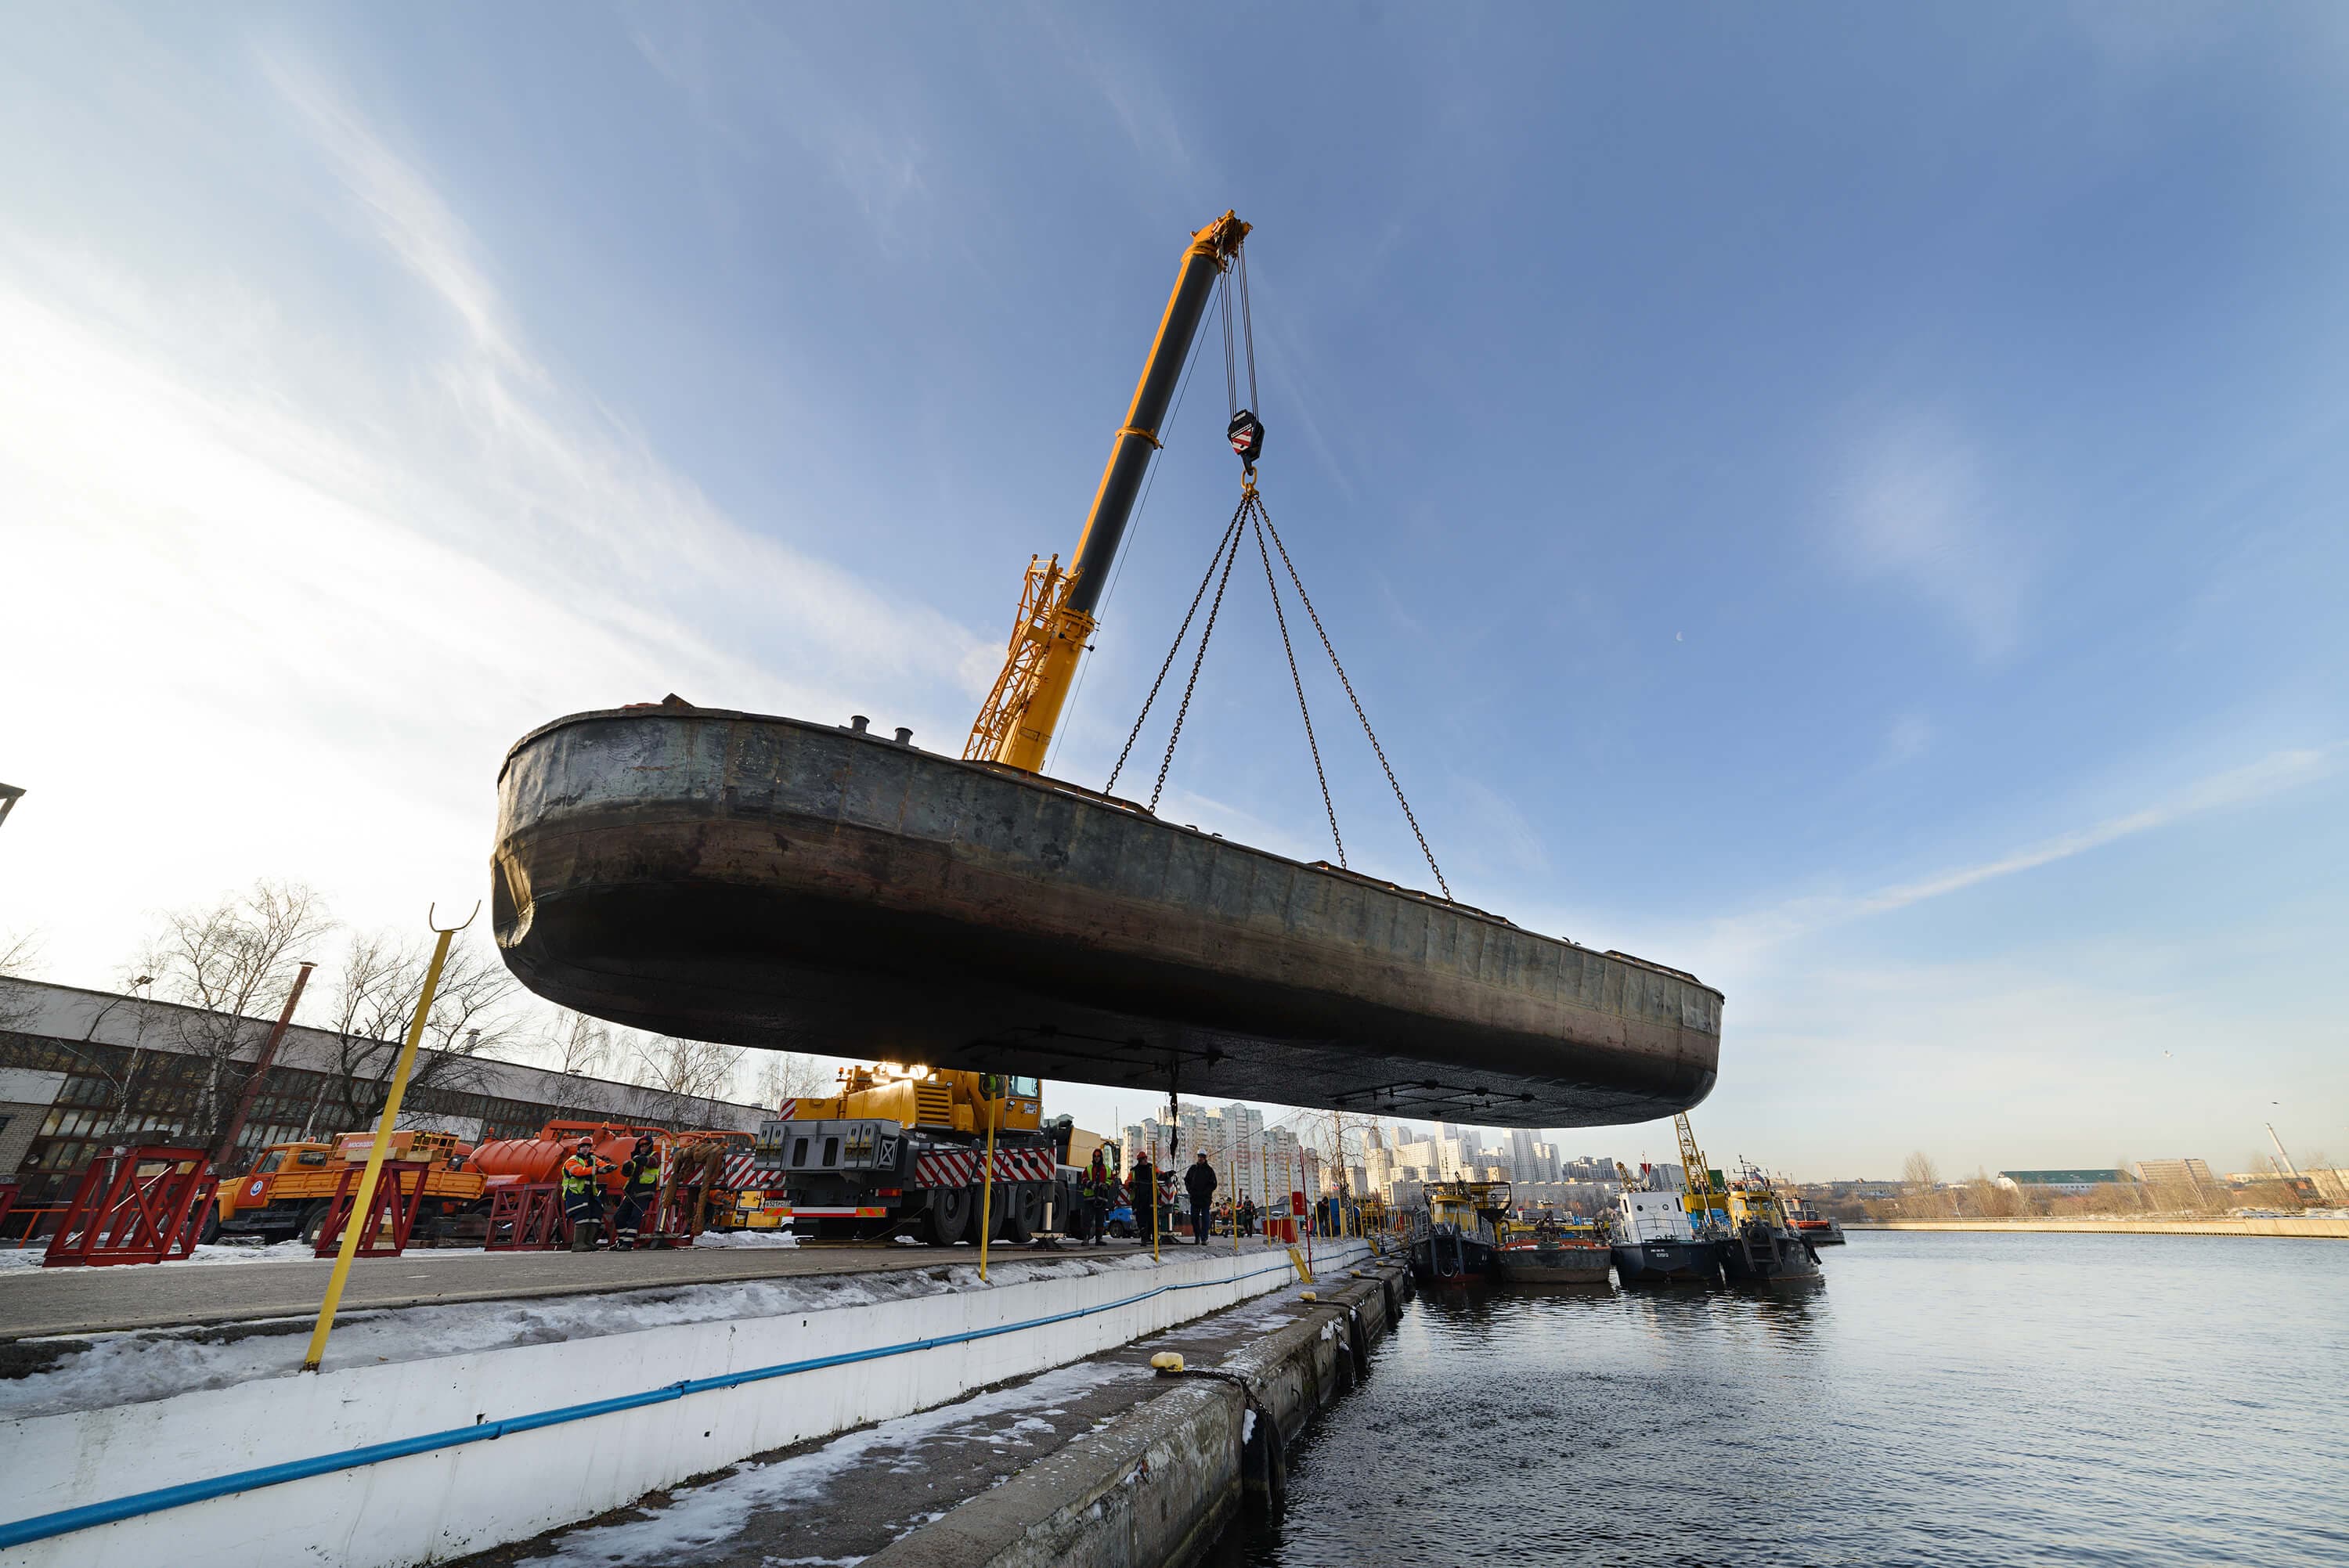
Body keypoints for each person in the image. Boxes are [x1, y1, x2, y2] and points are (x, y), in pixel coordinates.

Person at [560, 1139, 609, 1252]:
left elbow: (602, 1164)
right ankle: (578, 1244)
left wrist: (608, 1167)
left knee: (596, 1213)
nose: (585, 1149)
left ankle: (588, 1242)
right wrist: (598, 1170)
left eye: (587, 1147)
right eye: (583, 1147)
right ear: (579, 1149)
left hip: (590, 1194)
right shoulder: (572, 1161)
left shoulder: (593, 1159)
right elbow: (578, 1172)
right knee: (582, 1216)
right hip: (576, 1194)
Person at [615, 1135, 660, 1250]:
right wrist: (626, 1168)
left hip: (645, 1192)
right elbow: (629, 1174)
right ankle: (621, 1241)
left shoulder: (655, 1155)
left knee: (635, 1217)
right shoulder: (636, 1159)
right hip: (631, 1193)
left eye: (645, 1146)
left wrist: (642, 1160)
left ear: (650, 1146)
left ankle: (628, 1244)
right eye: (641, 1146)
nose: (643, 1148)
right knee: (619, 1216)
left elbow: (653, 1162)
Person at [1081, 1148, 1115, 1246]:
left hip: (1101, 1198)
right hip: (1089, 1198)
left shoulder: (1107, 1169)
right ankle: (1086, 1239)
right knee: (1087, 1219)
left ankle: (1099, 1239)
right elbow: (1083, 1179)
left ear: (1101, 1157)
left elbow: (1112, 1180)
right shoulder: (1088, 1168)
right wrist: (1091, 1184)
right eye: (1095, 1156)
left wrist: (1106, 1185)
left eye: (1098, 1156)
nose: (1096, 1158)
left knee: (1100, 1220)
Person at [1185, 1152, 1218, 1247]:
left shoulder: (1209, 1170)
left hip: (1205, 1199)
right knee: (1194, 1218)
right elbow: (1187, 1180)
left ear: (1205, 1158)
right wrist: (1190, 1190)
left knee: (1205, 1219)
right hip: (1195, 1198)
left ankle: (1204, 1238)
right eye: (1199, 1156)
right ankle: (1197, 1235)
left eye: (1202, 1157)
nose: (1200, 1159)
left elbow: (1213, 1184)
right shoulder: (1193, 1169)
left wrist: (1206, 1192)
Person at [1128, 1150, 1156, 1249]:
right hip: (1139, 1199)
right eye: (1144, 1159)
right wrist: (1130, 1184)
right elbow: (1127, 1181)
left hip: (1151, 1198)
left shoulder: (1151, 1168)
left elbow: (1160, 1174)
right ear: (1140, 1160)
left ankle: (1154, 1239)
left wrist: (1167, 1175)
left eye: (1146, 1159)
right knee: (1141, 1221)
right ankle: (1144, 1239)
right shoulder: (1134, 1171)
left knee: (1153, 1220)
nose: (1145, 1160)